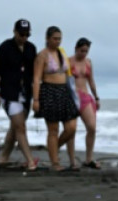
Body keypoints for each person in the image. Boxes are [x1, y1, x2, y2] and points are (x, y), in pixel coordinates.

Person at [0, 19, 38, 170]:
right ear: (14, 31)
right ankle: (30, 161)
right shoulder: (3, 49)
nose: (24, 38)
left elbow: (34, 73)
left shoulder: (31, 49)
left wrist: (37, 95)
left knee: (15, 127)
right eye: (21, 34)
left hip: (26, 94)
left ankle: (3, 157)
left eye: (27, 35)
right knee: (20, 127)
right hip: (9, 93)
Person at [33, 26, 80, 171]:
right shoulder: (42, 55)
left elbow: (68, 75)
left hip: (64, 91)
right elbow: (36, 79)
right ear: (47, 39)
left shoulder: (62, 53)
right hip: (49, 91)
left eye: (59, 39)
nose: (57, 41)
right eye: (54, 38)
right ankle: (55, 163)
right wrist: (36, 100)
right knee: (53, 129)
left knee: (71, 128)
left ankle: (54, 148)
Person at [66, 37, 101, 169]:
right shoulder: (68, 61)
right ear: (76, 49)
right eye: (82, 50)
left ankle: (89, 158)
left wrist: (96, 97)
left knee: (92, 127)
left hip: (85, 97)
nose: (84, 53)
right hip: (72, 97)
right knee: (71, 130)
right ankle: (72, 161)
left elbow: (91, 80)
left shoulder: (88, 62)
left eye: (86, 51)